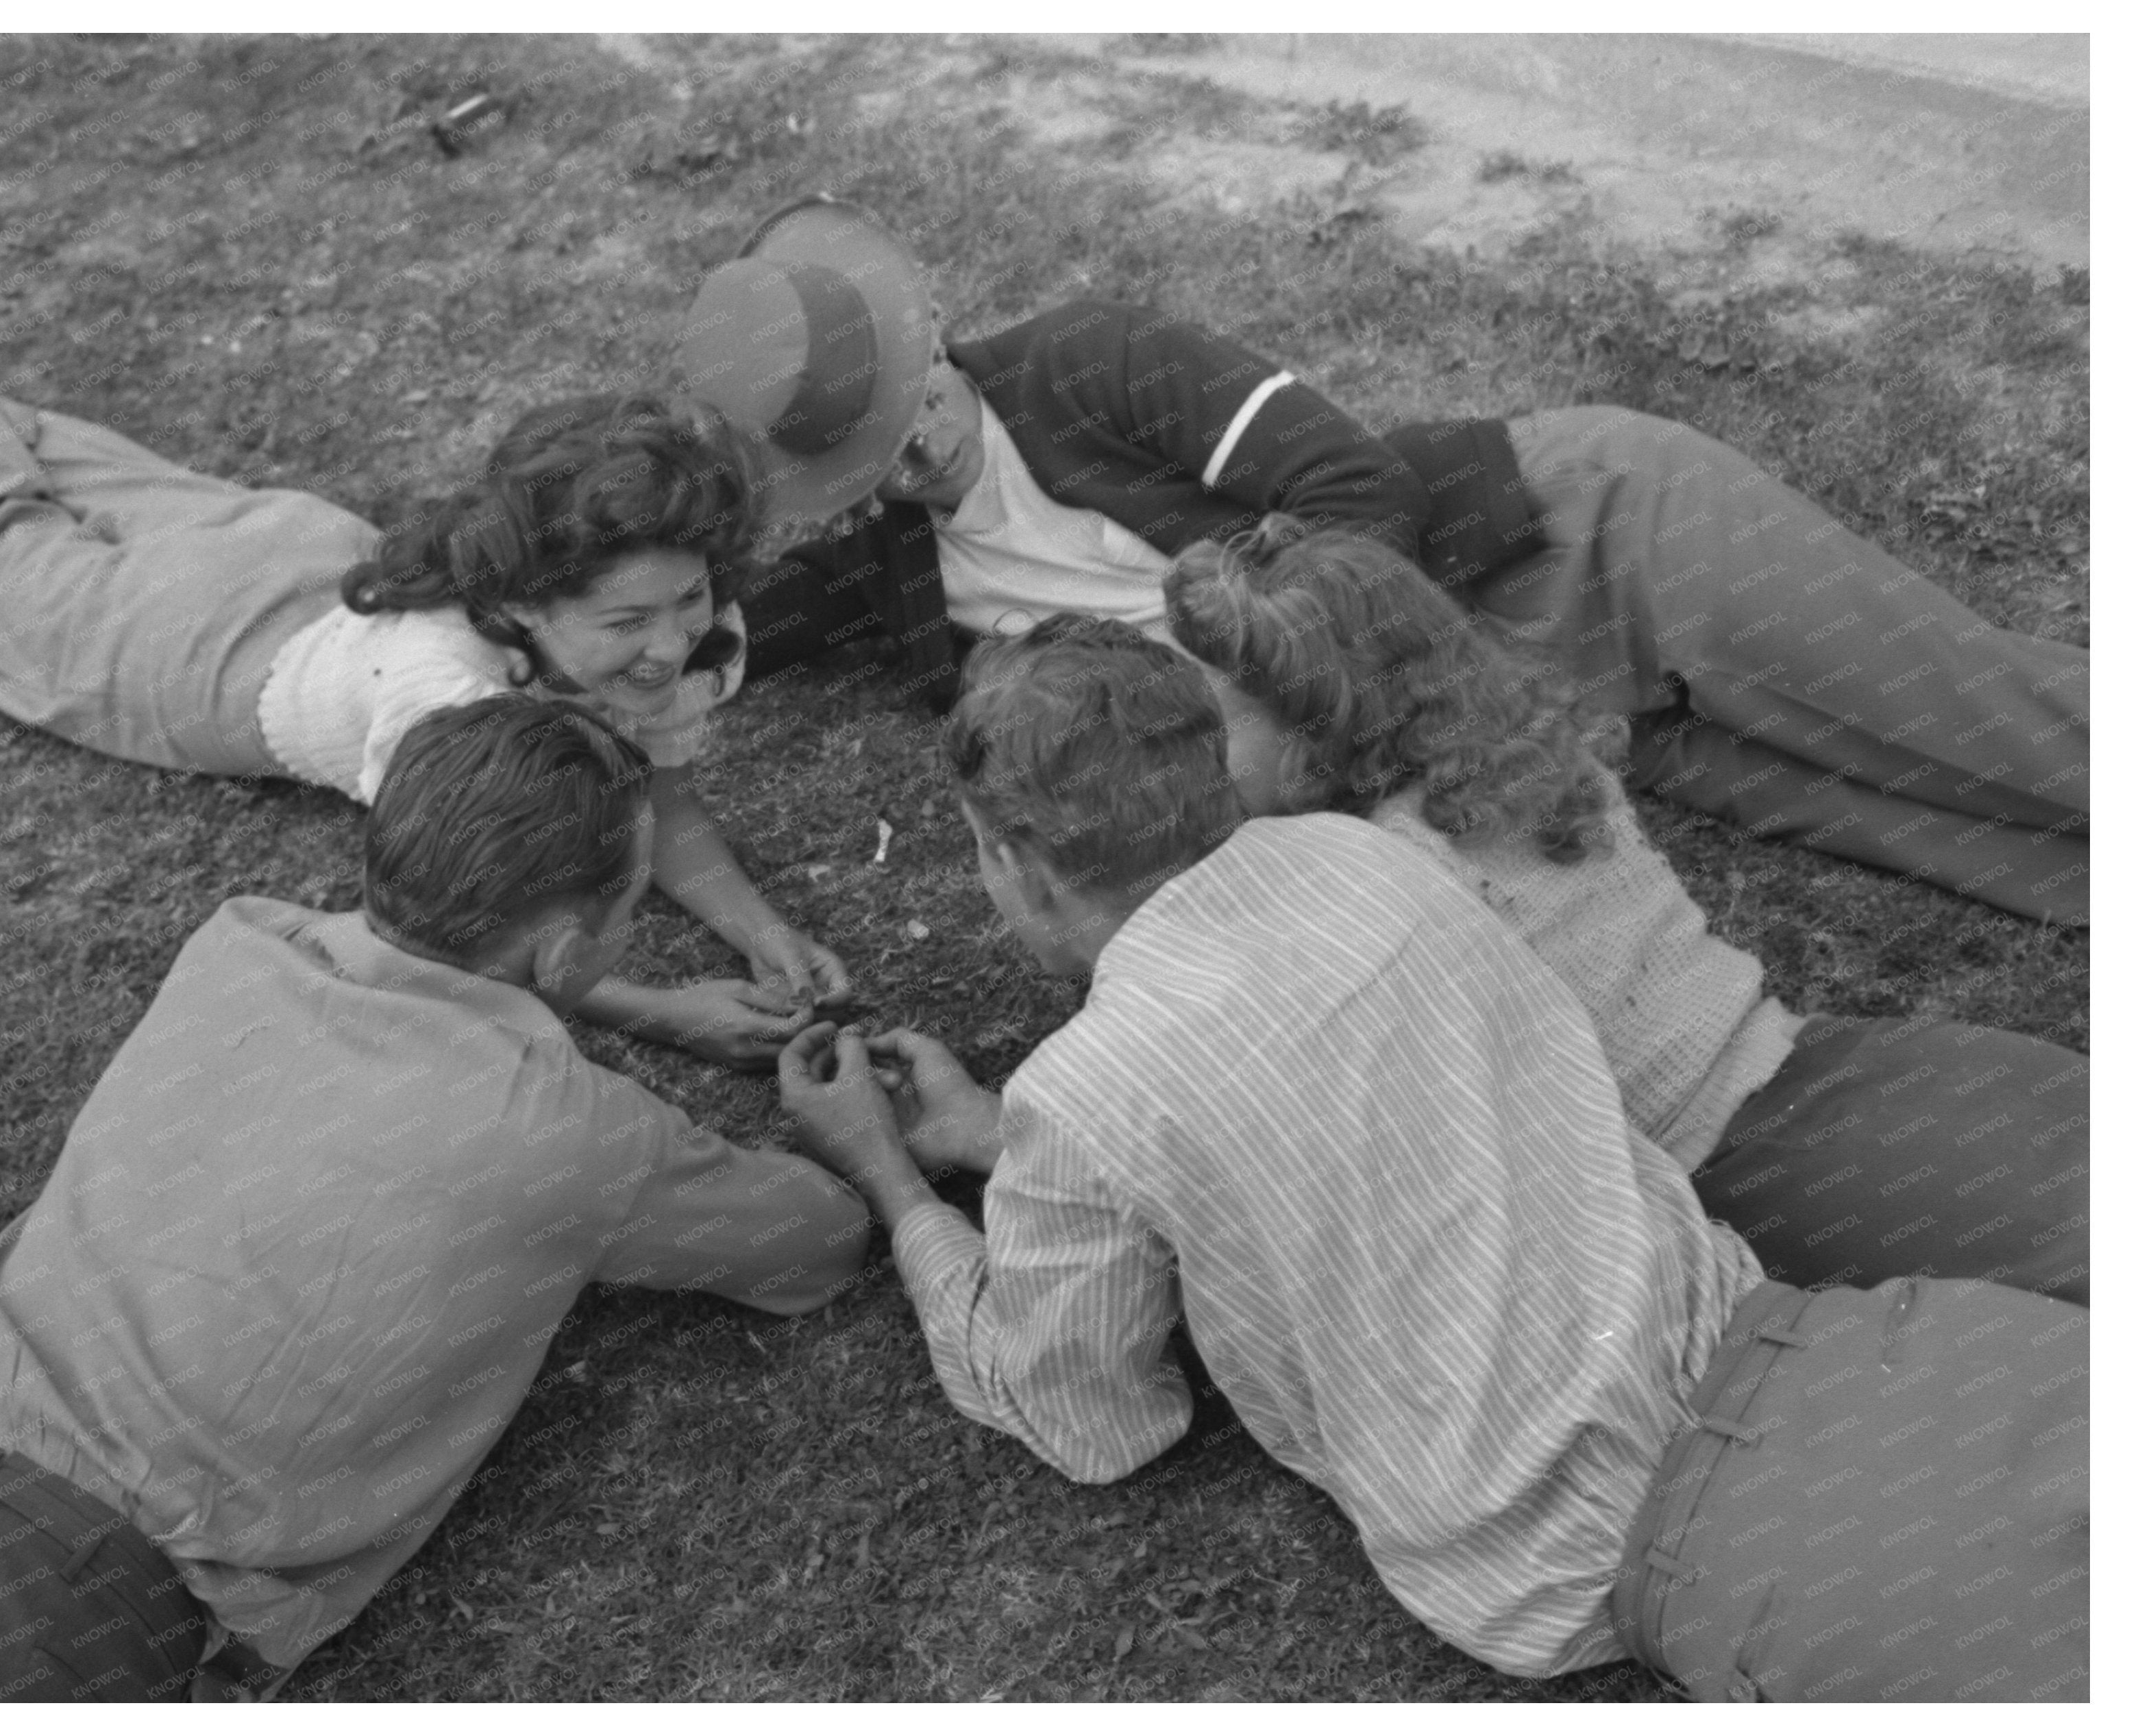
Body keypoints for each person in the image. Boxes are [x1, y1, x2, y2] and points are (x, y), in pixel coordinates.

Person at [774, 617, 2085, 1700]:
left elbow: (1087, 1417)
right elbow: (1311, 1107)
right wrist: (1009, 1141)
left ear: (1007, 857)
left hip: (1689, 1550)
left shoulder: (1093, 1092)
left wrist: (897, 1185)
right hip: (1880, 1346)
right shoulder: (1359, 860)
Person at [0, 696, 874, 1702]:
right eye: (630, 904)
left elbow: (427, 965)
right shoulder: (574, 1136)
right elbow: (810, 1247)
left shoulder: (242, 939)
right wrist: (856, 1141)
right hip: (66, 1615)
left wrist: (595, 994)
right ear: (562, 943)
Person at [675, 198, 2089, 925]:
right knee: (1908, 825)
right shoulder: (890, 573)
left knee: (1994, 724)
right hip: (1512, 724)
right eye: (863, 460)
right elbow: (701, 611)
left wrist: (1276, 695)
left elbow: (1351, 489)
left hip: (1582, 536)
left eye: (905, 412)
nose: (906, 461)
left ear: (926, 337)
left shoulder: (1084, 359)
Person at [0, 241, 844, 1065]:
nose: (670, 645)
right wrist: (665, 1010)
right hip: (190, 660)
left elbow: (660, 797)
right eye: (626, 623)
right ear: (525, 600)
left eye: (688, 598)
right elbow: (464, 936)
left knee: (76, 464)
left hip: (301, 557)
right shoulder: (443, 716)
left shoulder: (652, 638)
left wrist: (764, 932)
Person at [1163, 519, 2087, 1303]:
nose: (1189, 743)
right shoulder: (1520, 755)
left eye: (1214, 718)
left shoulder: (1385, 879)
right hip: (1847, 1063)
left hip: (1743, 1167)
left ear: (1311, 730)